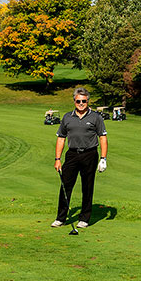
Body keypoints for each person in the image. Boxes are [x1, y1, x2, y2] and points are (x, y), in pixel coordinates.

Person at [52, 87, 108, 229]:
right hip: (71, 154)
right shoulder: (67, 117)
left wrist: (103, 158)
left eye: (84, 101)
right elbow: (61, 138)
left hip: (90, 154)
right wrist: (57, 159)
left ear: (88, 101)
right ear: (74, 101)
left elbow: (102, 137)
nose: (81, 103)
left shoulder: (96, 117)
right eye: (78, 101)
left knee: (87, 187)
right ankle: (61, 218)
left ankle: (84, 218)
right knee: (65, 186)